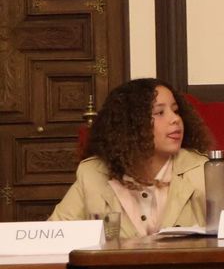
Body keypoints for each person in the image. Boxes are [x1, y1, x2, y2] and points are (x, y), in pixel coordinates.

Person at [51, 78, 214, 238]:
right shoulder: (92, 173)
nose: (175, 119)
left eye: (176, 110)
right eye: (160, 112)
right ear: (131, 124)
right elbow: (56, 235)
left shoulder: (202, 170)